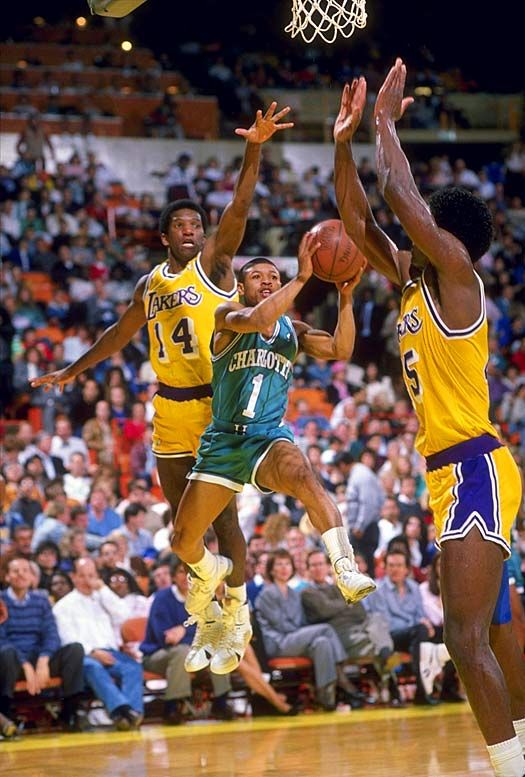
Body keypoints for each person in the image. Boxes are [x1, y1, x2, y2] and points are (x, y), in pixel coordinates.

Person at [31, 102, 293, 668]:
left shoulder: (217, 266)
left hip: (214, 408)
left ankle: (232, 619)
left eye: (197, 224)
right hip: (168, 409)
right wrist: (73, 370)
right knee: (184, 531)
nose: (192, 230)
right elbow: (116, 333)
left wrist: (254, 149)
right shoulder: (151, 284)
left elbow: (240, 208)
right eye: (182, 225)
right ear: (164, 235)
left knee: (221, 521)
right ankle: (215, 606)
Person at [333, 63, 525, 776]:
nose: (409, 225)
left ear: (446, 236)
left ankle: (508, 766)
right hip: (452, 471)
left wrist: (386, 125)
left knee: (464, 635)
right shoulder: (414, 279)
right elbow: (356, 218)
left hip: (473, 464)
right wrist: (344, 139)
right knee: (500, 629)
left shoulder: (456, 276)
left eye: (423, 221)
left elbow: (396, 195)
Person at [171, 233, 374, 679]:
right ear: (241, 287)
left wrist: (344, 298)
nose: (267, 281)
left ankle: (344, 566)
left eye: (273, 276)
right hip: (224, 442)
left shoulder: (293, 331)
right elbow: (260, 315)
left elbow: (341, 350)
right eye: (258, 276)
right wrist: (302, 276)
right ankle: (213, 570)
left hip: (267, 439)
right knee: (183, 542)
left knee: (303, 473)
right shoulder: (228, 316)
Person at [53, 558, 144, 731]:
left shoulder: (103, 597)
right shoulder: (63, 606)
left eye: (91, 575)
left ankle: (133, 714)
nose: (87, 580)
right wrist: (92, 652)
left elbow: (124, 615)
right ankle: (121, 712)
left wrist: (103, 589)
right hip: (85, 655)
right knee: (93, 668)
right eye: (82, 575)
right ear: (73, 577)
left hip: (110, 651)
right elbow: (67, 639)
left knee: (133, 667)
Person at [140, 561, 234, 725]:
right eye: (182, 572)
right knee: (183, 652)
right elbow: (166, 638)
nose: (187, 577)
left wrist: (184, 631)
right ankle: (172, 707)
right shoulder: (162, 598)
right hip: (157, 655)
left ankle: (221, 702)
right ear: (174, 577)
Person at [255, 550, 348, 711]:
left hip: (295, 638)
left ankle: (326, 697)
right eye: (279, 564)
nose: (284, 568)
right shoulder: (266, 594)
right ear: (271, 570)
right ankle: (342, 674)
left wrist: (305, 634)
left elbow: (302, 623)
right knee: (325, 629)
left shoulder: (294, 594)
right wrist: (304, 633)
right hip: (279, 643)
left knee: (322, 642)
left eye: (287, 564)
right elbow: (281, 626)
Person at [0, 557, 85, 734]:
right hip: (13, 660)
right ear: (7, 577)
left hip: (39, 658)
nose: (21, 575)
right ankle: (5, 716)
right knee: (6, 653)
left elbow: (52, 634)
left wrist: (43, 659)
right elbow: (2, 639)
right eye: (15, 571)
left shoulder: (41, 599)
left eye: (25, 571)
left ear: (32, 577)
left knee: (75, 649)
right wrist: (26, 665)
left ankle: (69, 713)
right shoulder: (1, 600)